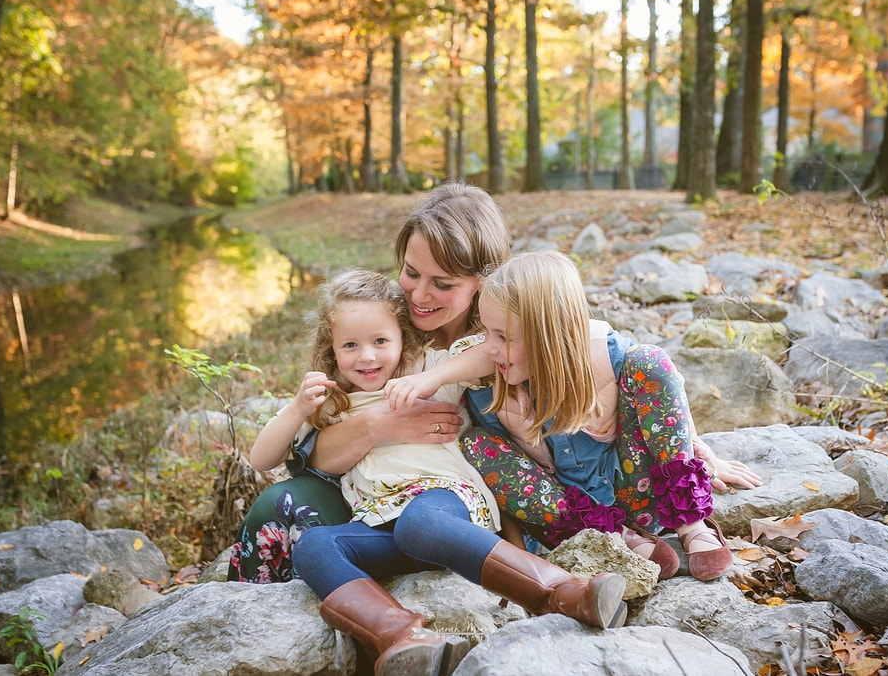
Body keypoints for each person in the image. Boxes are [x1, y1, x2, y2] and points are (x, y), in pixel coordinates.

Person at [230, 182, 759, 583]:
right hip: (384, 482)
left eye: (443, 283)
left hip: (473, 496)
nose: (417, 294)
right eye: (410, 271)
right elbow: (315, 444)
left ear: (486, 281)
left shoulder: (515, 333)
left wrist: (694, 447)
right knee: (277, 507)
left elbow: (621, 372)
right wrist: (377, 424)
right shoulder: (387, 332)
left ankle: (675, 529)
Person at [267, 269, 626, 676]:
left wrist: (431, 376)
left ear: (403, 338)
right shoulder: (332, 403)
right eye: (351, 345)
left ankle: (561, 592)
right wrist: (298, 408)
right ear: (332, 350)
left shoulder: (423, 370)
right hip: (384, 522)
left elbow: (483, 356)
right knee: (314, 545)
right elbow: (262, 458)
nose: (367, 356)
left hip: (445, 506)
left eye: (381, 341)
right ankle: (401, 637)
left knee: (419, 523)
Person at [386, 251, 737, 581]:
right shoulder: (492, 383)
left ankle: (692, 523)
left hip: (640, 491)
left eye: (502, 337)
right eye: (486, 333)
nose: (489, 347)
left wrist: (692, 446)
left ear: (548, 338)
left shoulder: (603, 356)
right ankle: (618, 539)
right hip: (576, 516)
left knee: (649, 361)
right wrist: (432, 377)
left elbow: (662, 391)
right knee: (478, 444)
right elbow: (479, 362)